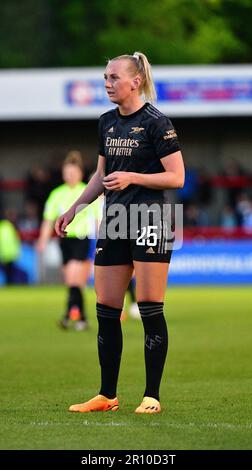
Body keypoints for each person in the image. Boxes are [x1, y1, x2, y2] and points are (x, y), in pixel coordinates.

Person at [55, 52, 185, 413]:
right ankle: (107, 395)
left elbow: (177, 177)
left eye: (114, 77)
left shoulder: (158, 123)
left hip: (150, 217)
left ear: (135, 81)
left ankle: (152, 396)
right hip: (114, 219)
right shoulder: (106, 123)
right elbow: (100, 176)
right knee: (106, 308)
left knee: (148, 306)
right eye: (105, 77)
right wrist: (74, 209)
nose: (107, 83)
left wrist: (133, 178)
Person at [37, 150, 97, 331]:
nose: (69, 176)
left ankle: (67, 317)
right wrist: (42, 240)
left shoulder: (86, 192)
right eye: (66, 173)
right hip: (64, 241)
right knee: (74, 283)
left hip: (82, 240)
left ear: (80, 173)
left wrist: (103, 240)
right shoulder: (57, 194)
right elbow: (49, 219)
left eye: (73, 172)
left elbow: (97, 218)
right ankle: (81, 319)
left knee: (73, 279)